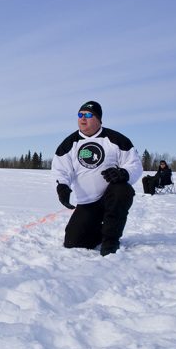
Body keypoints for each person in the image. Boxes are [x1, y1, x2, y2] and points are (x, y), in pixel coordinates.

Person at [51, 101, 143, 256]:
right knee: (73, 243)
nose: (82, 118)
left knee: (122, 189)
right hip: (88, 202)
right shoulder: (69, 144)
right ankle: (101, 231)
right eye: (80, 115)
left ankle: (111, 240)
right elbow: (61, 170)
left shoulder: (116, 139)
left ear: (99, 119)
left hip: (111, 197)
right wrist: (62, 187)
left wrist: (124, 173)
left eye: (88, 115)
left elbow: (134, 164)